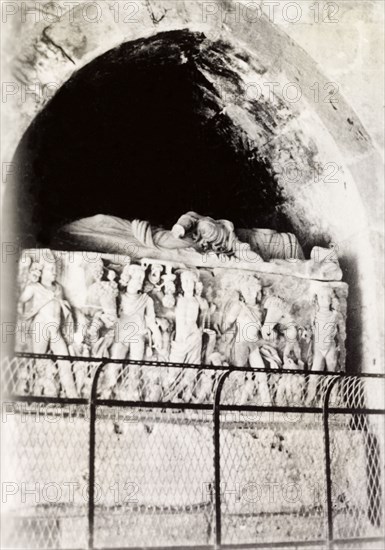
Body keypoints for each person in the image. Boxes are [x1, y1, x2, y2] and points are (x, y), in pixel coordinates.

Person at [17, 257, 78, 397]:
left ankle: (73, 396)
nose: (54, 272)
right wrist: (24, 316)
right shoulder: (33, 288)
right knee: (40, 362)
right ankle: (43, 395)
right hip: (41, 327)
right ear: (41, 272)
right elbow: (19, 303)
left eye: (55, 269)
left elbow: (61, 307)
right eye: (50, 269)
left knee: (65, 361)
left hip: (55, 330)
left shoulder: (58, 288)